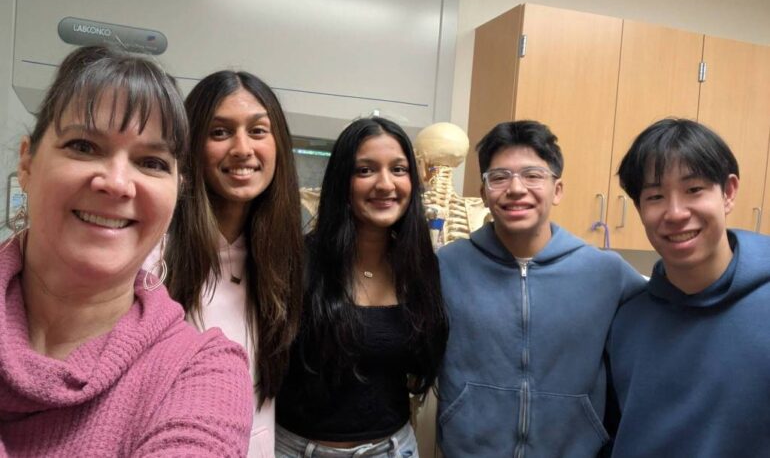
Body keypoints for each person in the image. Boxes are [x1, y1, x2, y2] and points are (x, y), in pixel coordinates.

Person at [0, 45, 252, 456]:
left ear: (178, 191)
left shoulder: (202, 372)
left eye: (152, 162)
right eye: (83, 146)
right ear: (27, 163)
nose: (117, 183)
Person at [436, 120, 646, 458]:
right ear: (484, 191)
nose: (516, 189)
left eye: (533, 175)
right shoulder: (445, 267)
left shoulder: (606, 274)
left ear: (557, 190)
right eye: (500, 177)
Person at [275, 117, 448, 458]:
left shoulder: (421, 270)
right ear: (342, 180)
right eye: (366, 170)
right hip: (296, 450)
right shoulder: (295, 263)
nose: (386, 184)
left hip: (393, 449)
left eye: (398, 170)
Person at [606, 118, 770, 457]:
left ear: (728, 192)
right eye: (655, 196)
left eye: (694, 189)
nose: (676, 212)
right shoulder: (625, 320)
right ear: (638, 209)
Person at [164, 71, 303, 456]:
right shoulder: (154, 255)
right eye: (220, 132)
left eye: (258, 131)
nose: (243, 148)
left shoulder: (283, 258)